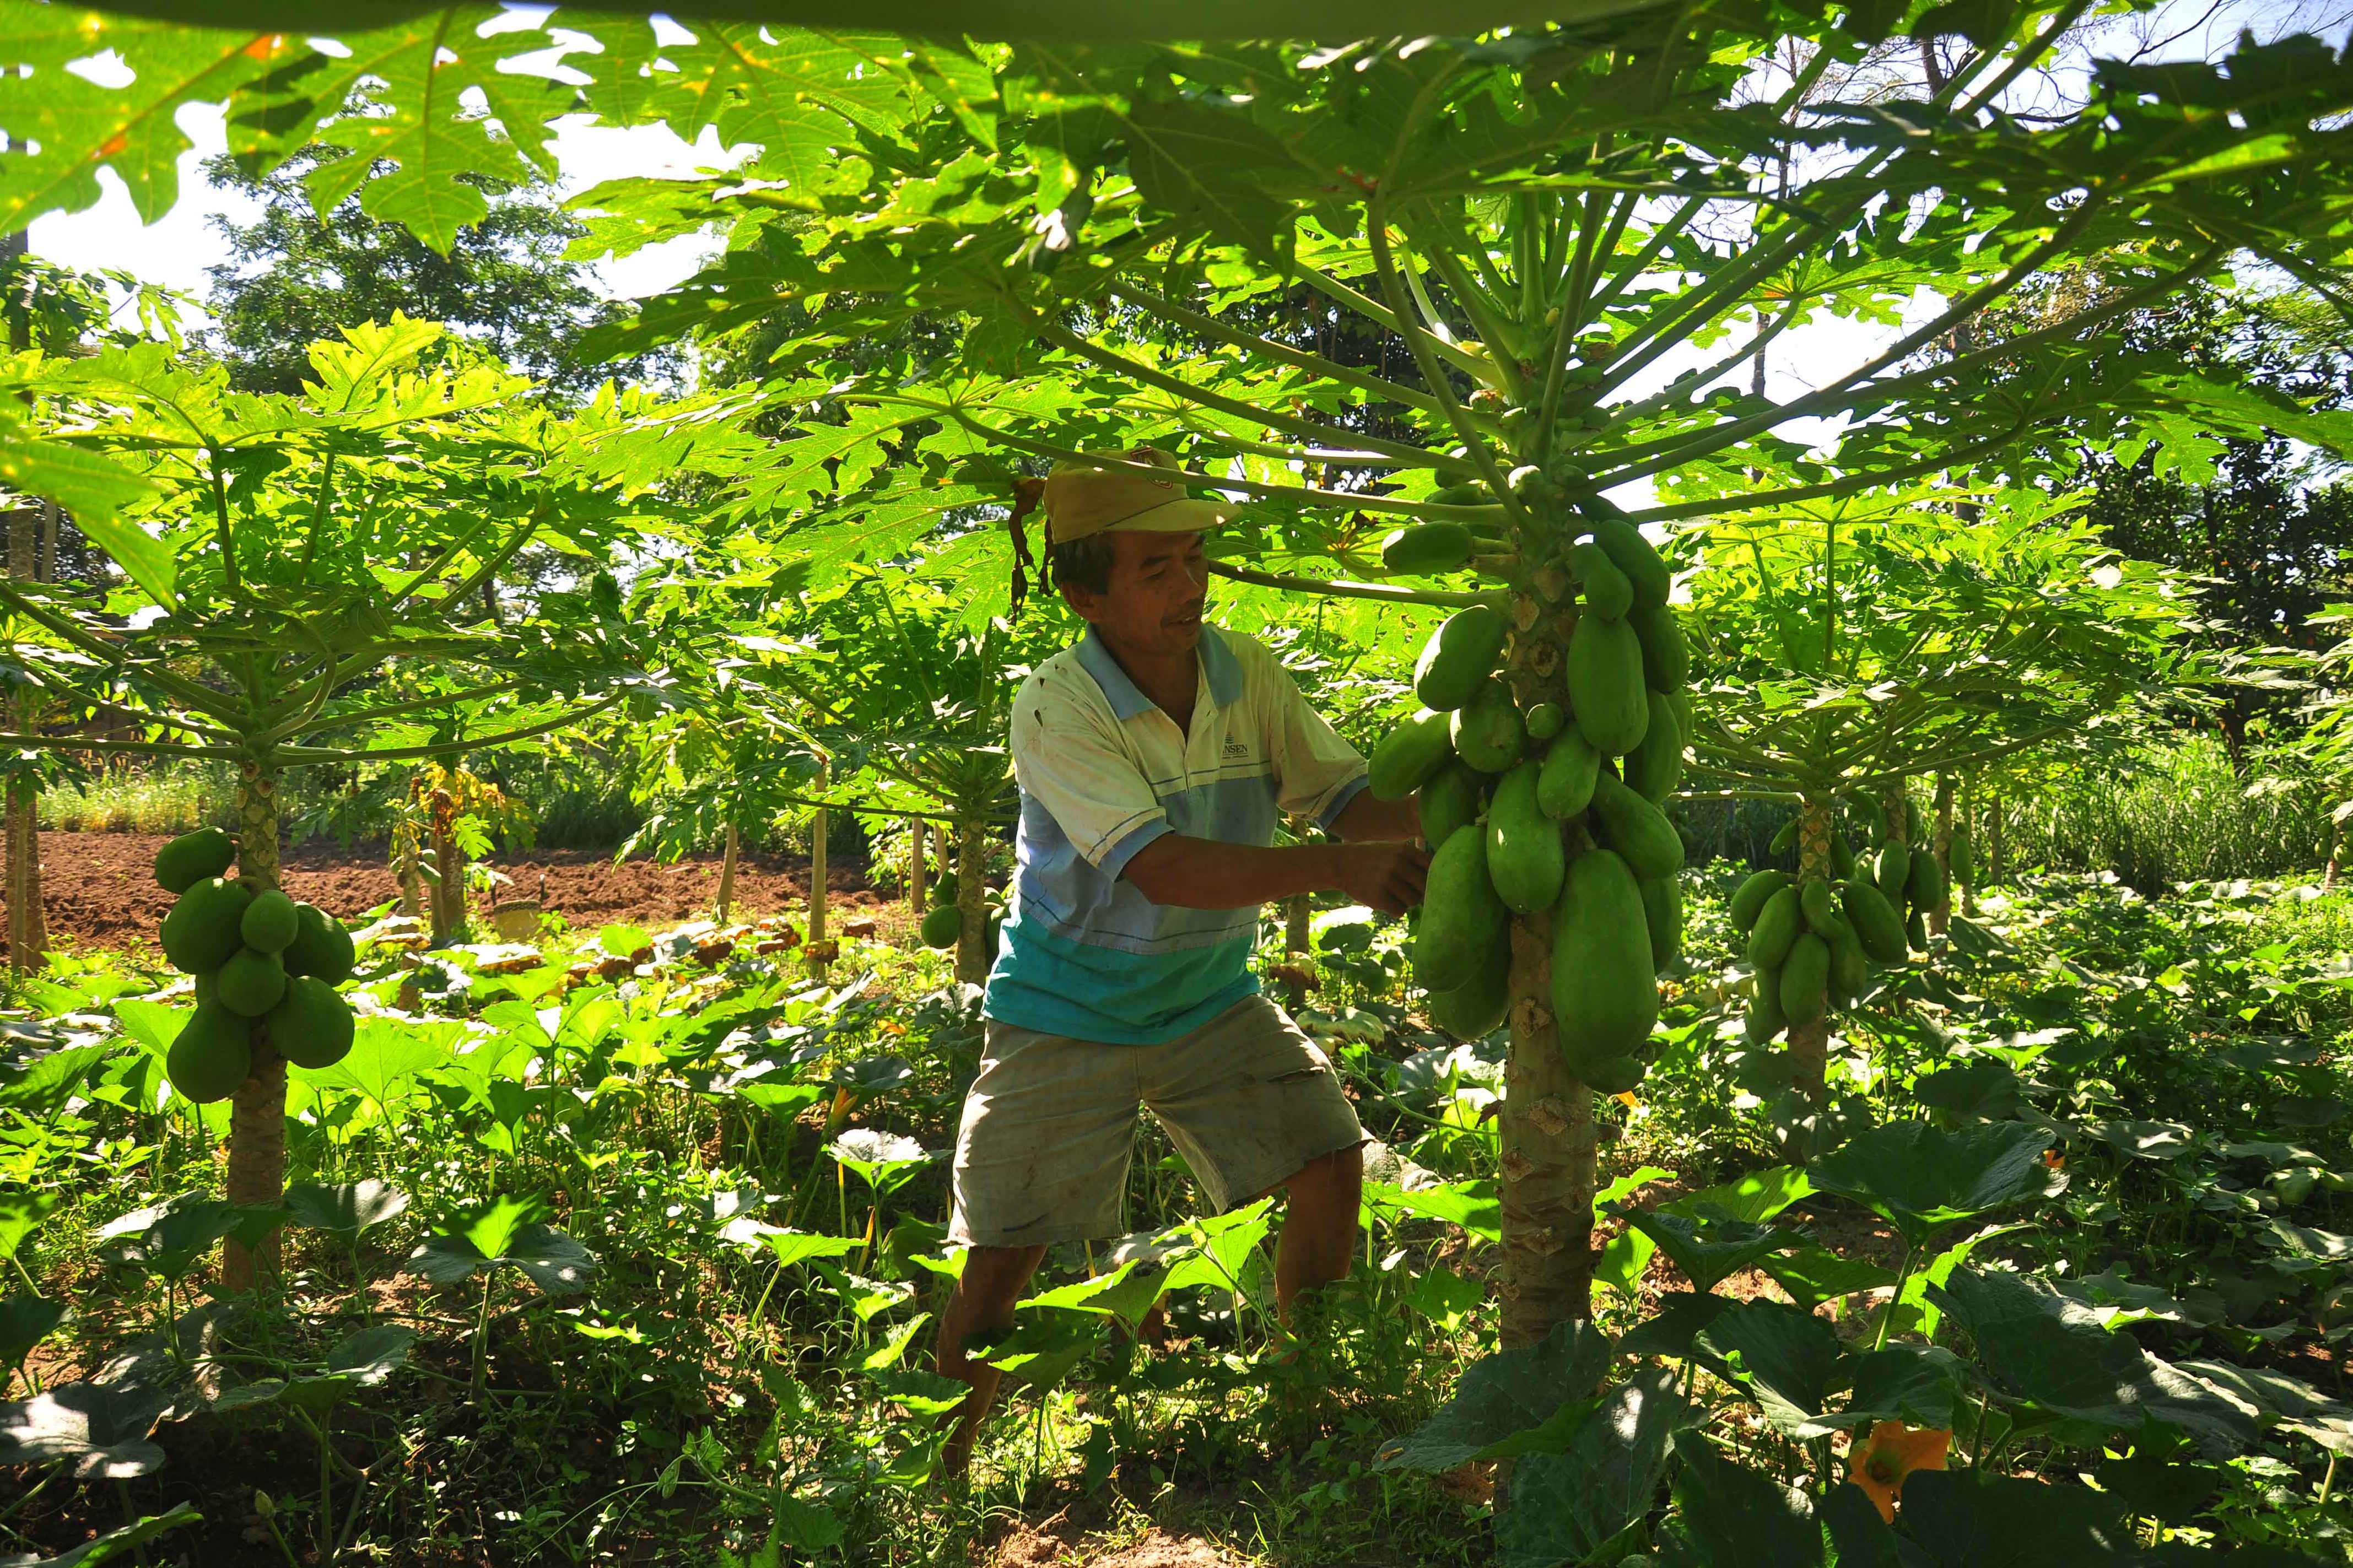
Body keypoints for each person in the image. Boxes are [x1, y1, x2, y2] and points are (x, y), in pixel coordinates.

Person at [933, 445, 1428, 1477]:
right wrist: (1339, 870)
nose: (1191, 585)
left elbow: (1350, 800)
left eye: (1195, 558)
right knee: (1004, 1250)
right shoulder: (1056, 706)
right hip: (1067, 1009)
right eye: (1157, 568)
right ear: (1084, 591)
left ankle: (1309, 1391)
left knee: (1328, 1160)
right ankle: (926, 1467)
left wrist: (1483, 788)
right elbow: (1162, 868)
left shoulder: (1248, 673)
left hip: (1207, 1000)